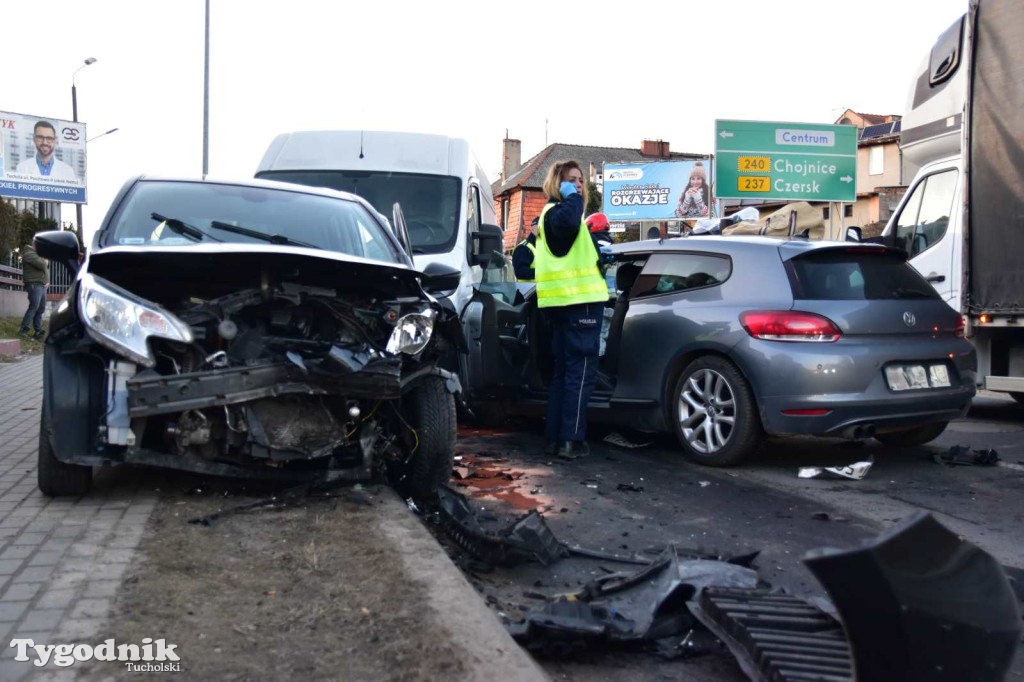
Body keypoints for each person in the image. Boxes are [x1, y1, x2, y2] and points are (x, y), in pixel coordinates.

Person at [534, 160, 609, 460]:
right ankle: (572, 441)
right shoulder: (562, 212)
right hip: (581, 305)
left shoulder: (549, 216)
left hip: (561, 306)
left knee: (564, 375)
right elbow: (567, 223)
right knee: (579, 376)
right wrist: (573, 199)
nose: (578, 185)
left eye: (580, 181)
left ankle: (555, 439)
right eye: (571, 180)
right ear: (558, 183)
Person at [18, 237, 49, 340]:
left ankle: (38, 331)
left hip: (41, 285)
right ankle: (23, 329)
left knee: (41, 308)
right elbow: (42, 265)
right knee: (34, 306)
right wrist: (44, 260)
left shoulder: (37, 255)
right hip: (33, 284)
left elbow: (45, 268)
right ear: (35, 244)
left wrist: (47, 281)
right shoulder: (29, 254)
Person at [512, 217, 539, 282]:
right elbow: (520, 272)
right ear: (533, 229)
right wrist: (542, 272)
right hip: (527, 291)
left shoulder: (543, 246)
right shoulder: (523, 248)